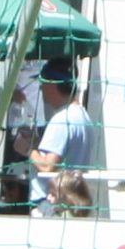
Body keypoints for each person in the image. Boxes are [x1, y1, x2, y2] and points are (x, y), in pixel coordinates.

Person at [27, 59, 92, 215]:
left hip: (50, 205)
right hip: (71, 202)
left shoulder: (62, 119)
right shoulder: (84, 117)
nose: (41, 89)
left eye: (43, 84)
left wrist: (28, 148)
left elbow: (47, 167)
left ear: (52, 85)